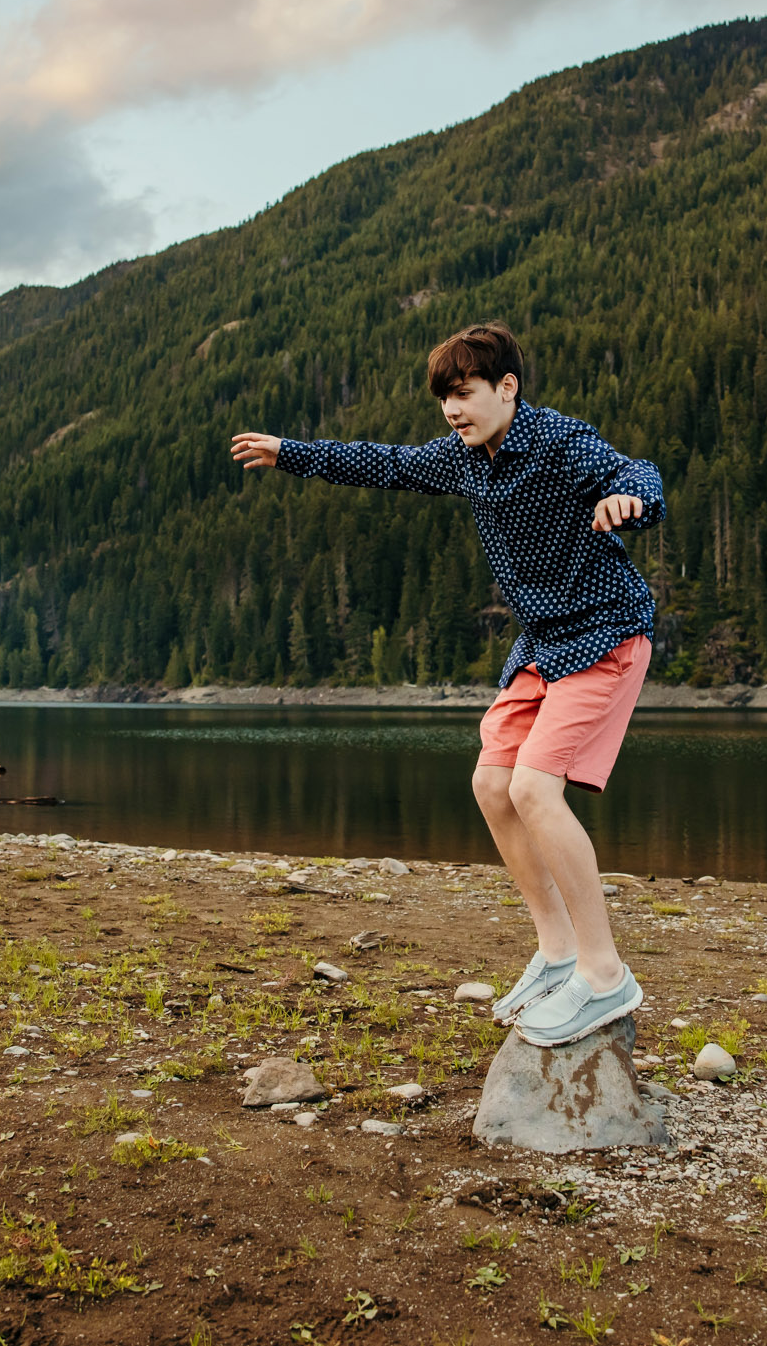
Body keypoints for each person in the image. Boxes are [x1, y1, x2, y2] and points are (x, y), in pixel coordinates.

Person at [229, 322, 663, 1047]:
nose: (452, 411)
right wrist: (288, 453)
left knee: (534, 788)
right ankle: (558, 954)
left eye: (463, 394)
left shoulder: (558, 439)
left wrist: (628, 502)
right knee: (493, 785)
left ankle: (604, 973)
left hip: (605, 631)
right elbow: (385, 463)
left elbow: (636, 471)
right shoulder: (465, 460)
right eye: (444, 400)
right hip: (543, 642)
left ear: (507, 388)